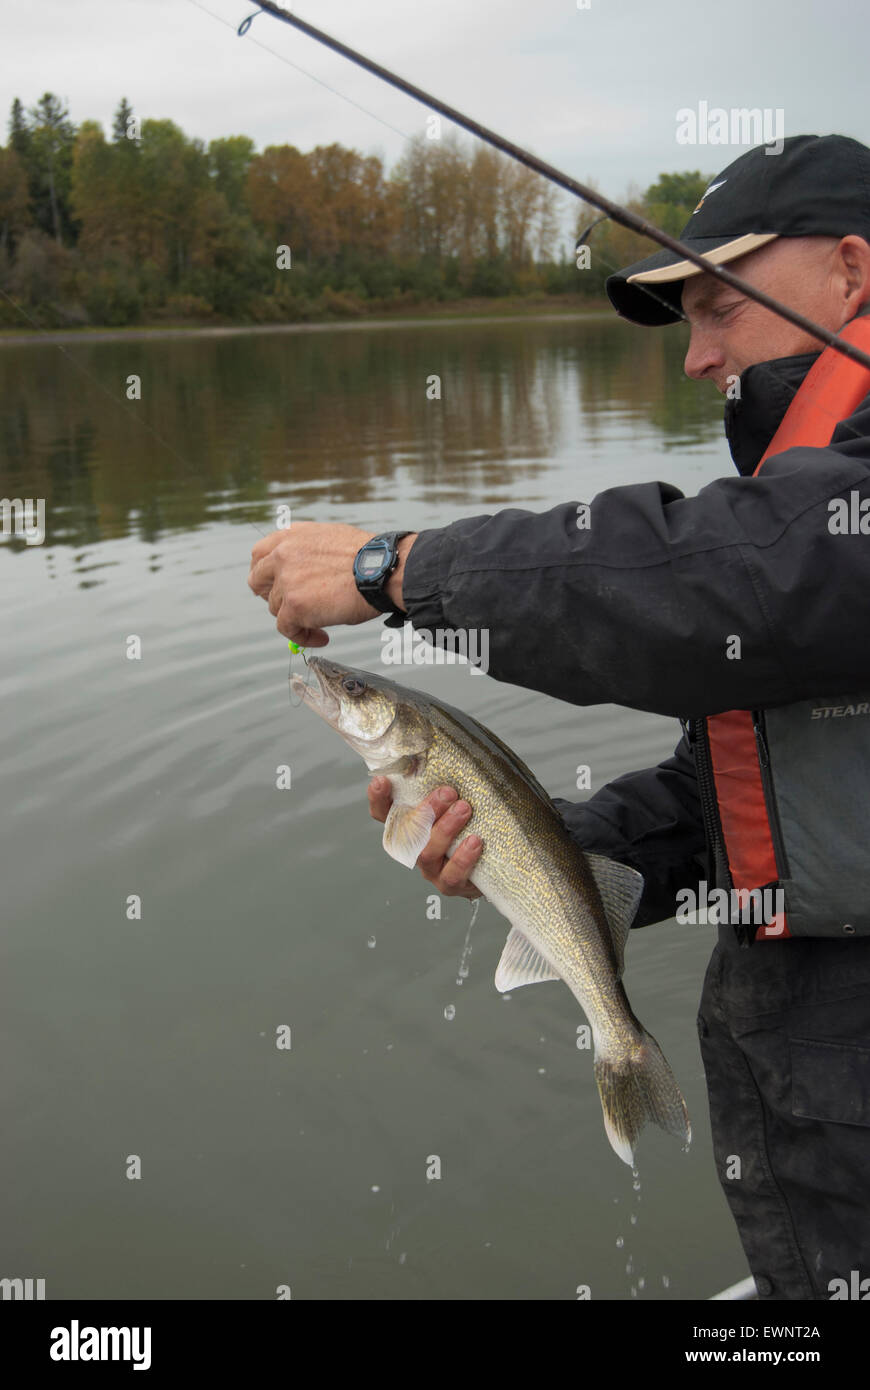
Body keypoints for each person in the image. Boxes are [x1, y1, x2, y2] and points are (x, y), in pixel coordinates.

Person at [248, 134, 870, 1301]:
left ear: (851, 272)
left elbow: (721, 577)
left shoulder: (823, 519)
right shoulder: (800, 512)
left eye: (717, 306)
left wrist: (399, 566)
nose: (699, 357)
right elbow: (735, 791)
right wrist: (551, 855)